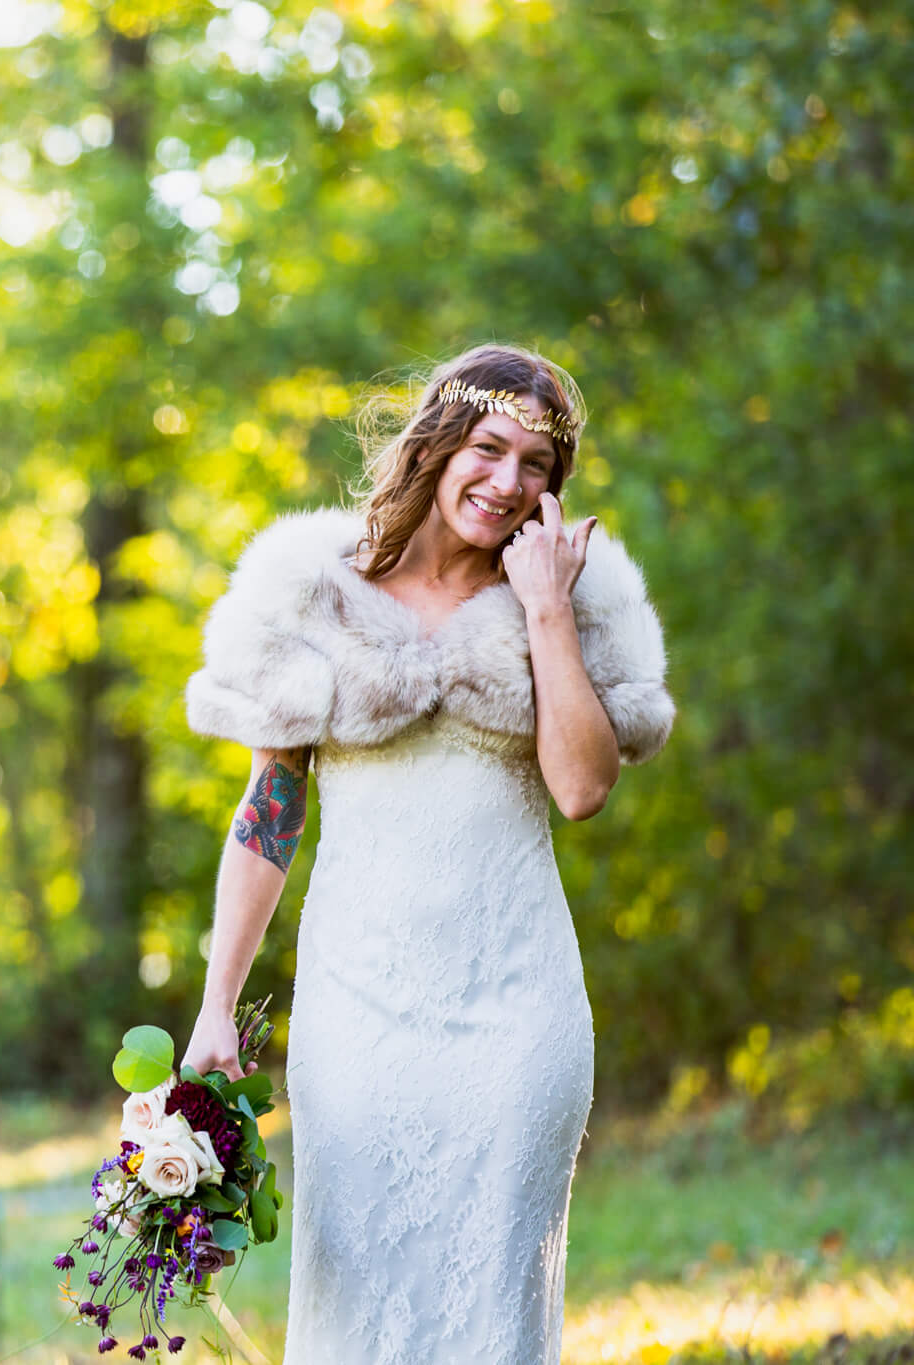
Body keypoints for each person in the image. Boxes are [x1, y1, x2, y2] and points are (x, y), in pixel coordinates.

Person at [180, 344, 674, 1363]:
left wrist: (542, 609)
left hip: (516, 1007)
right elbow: (268, 813)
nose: (505, 482)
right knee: (353, 1296)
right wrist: (215, 1009)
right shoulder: (313, 592)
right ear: (436, 443)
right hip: (356, 1010)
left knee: (492, 1304)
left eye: (535, 465)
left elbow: (580, 789)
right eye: (487, 448)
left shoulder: (573, 601)